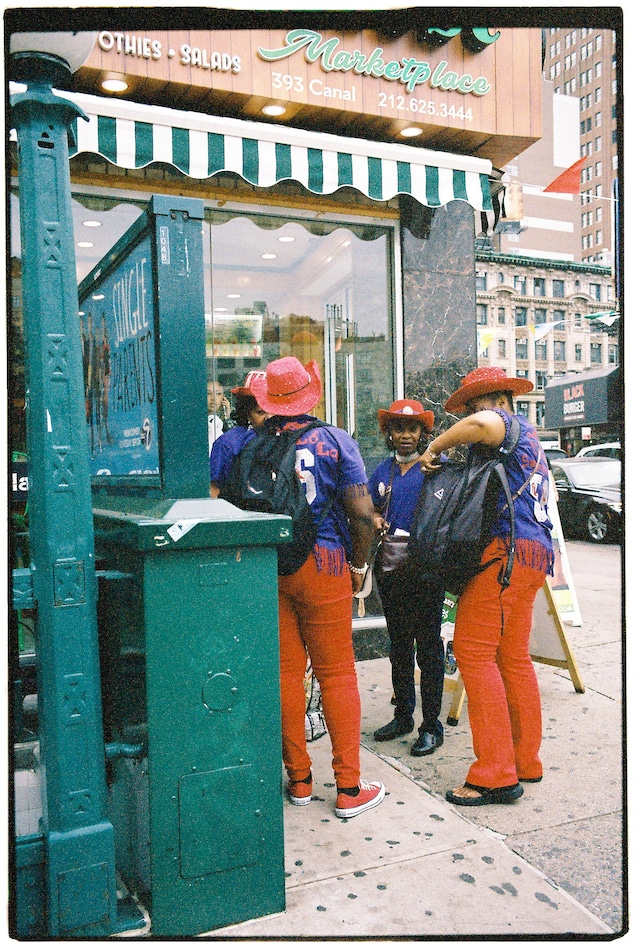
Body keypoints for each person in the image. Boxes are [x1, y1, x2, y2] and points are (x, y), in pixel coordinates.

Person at [249, 356, 385, 819]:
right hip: (324, 562)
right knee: (337, 672)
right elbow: (362, 514)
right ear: (310, 395)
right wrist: (359, 565)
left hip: (273, 566)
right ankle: (348, 787)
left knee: (287, 674)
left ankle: (300, 781)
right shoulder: (334, 440)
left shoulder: (256, 442)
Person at [418, 366, 554, 806]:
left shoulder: (504, 423)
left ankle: (495, 774)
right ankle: (524, 759)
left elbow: (481, 424)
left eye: (474, 405)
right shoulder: (530, 439)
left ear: (497, 400)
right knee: (512, 657)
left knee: (474, 653)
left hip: (504, 552)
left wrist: (434, 447)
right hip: (533, 555)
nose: (470, 416)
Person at [369, 400, 447, 756]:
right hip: (392, 570)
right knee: (399, 646)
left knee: (428, 648)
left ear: (422, 433)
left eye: (412, 428)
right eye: (398, 428)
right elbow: (369, 507)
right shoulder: (382, 471)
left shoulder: (435, 468)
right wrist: (374, 518)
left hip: (427, 571)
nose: (405, 435)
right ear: (389, 433)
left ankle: (431, 726)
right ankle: (403, 717)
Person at [209, 372, 269, 497]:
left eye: (273, 410)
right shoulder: (227, 443)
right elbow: (214, 490)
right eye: (260, 412)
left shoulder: (287, 436)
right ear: (247, 413)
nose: (269, 417)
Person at [207, 379, 231, 453]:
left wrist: (227, 415)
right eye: (208, 393)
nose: (213, 398)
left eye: (218, 393)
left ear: (223, 398)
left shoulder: (221, 424)